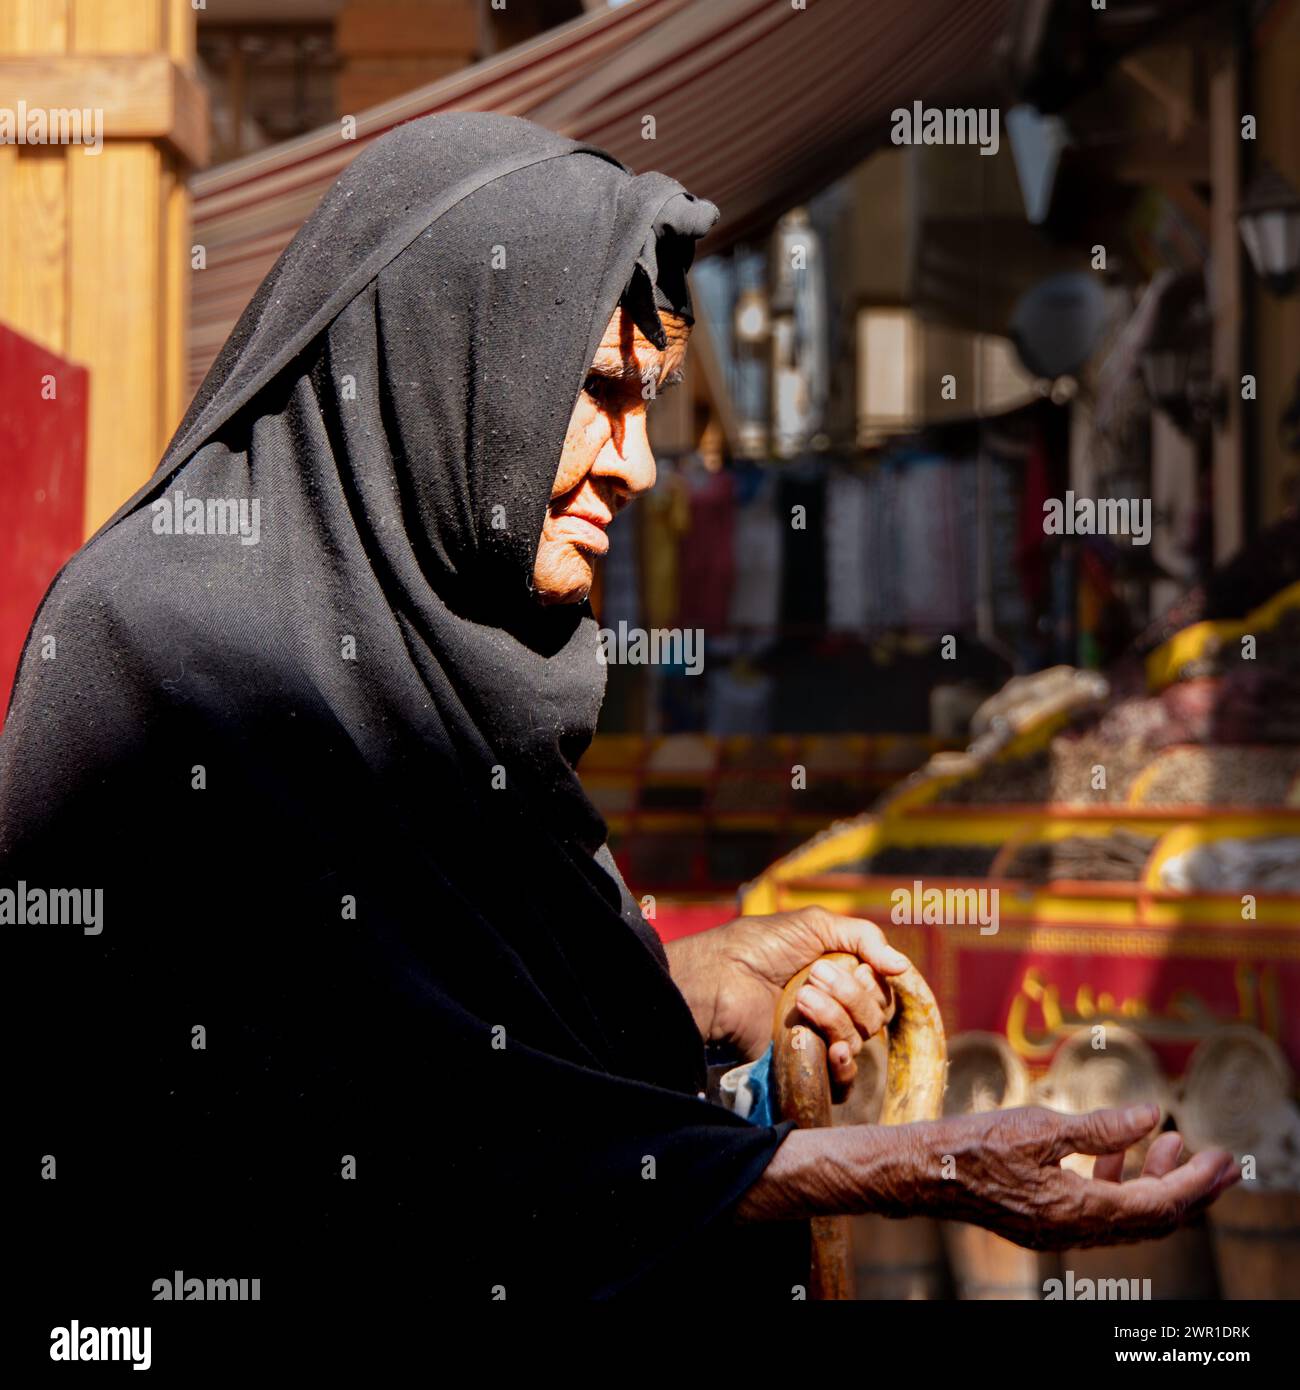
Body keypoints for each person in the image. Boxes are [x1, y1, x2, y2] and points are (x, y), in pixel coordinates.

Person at [0, 113, 1235, 1311]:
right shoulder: (158, 653)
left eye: (648, 403)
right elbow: (360, 1152)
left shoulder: (463, 656)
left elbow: (444, 1030)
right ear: (437, 364)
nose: (639, 465)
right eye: (599, 390)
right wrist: (914, 1166)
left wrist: (677, 1001)